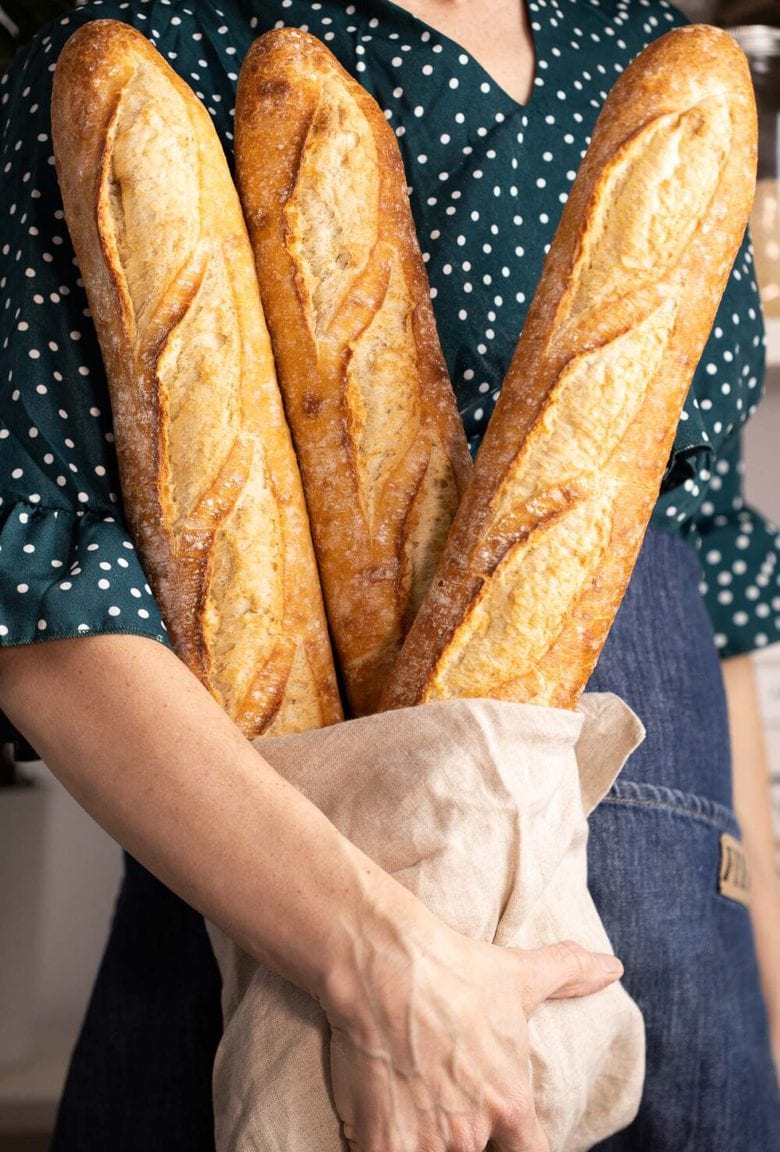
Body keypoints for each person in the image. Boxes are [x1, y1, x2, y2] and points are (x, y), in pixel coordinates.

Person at [0, 0, 778, 1149]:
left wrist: (762, 1009)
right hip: (302, 1002)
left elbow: (709, 597)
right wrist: (376, 963)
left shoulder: (634, 45)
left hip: (680, 1013)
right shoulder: (154, 47)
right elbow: (42, 609)